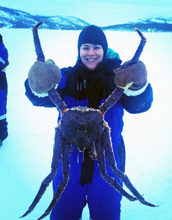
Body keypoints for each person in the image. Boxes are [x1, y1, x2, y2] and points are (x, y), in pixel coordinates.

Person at [24, 25, 153, 220]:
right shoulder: (66, 77)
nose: (90, 52)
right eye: (85, 47)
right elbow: (40, 96)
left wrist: (138, 85)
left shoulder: (119, 79)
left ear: (104, 50)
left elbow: (139, 105)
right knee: (63, 212)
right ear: (78, 51)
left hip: (108, 157)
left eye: (96, 47)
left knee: (106, 213)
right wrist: (36, 82)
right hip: (68, 158)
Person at [0, 34, 9, 147]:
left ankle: (1, 135)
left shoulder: (1, 47)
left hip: (0, 82)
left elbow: (2, 60)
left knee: (0, 110)